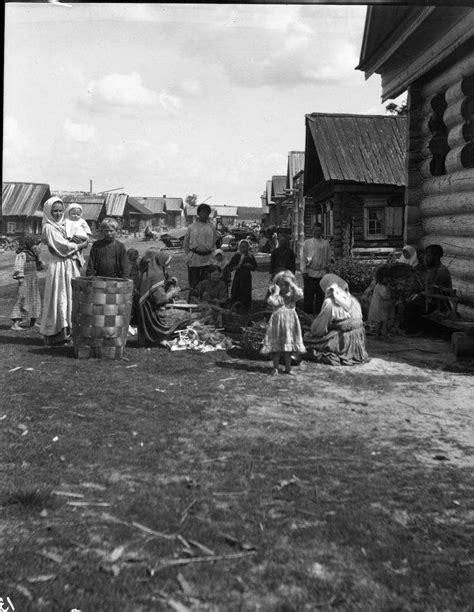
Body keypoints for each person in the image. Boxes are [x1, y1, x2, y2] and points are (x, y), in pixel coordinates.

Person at [40, 197, 89, 346]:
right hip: (59, 266)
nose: (57, 213)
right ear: (48, 211)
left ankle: (70, 331)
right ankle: (56, 333)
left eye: (60, 210)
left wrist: (81, 241)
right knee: (59, 296)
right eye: (54, 211)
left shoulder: (65, 224)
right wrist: (81, 245)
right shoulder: (49, 227)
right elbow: (63, 247)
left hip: (70, 265)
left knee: (71, 296)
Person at [304, 273, 369, 366]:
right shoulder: (353, 299)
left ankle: (338, 349)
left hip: (344, 338)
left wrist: (311, 323)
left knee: (306, 342)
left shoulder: (329, 302)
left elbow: (319, 329)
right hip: (358, 337)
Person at [136, 249, 191, 346]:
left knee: (182, 305)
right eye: (167, 264)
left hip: (144, 313)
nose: (169, 266)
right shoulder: (156, 276)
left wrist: (169, 283)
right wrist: (172, 292)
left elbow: (153, 292)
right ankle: (162, 336)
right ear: (161, 262)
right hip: (153, 315)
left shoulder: (148, 273)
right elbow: (159, 299)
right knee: (185, 315)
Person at [261, 270, 305, 375]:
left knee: (288, 348)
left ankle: (288, 368)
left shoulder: (292, 295)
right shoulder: (277, 295)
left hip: (290, 325)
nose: (283, 287)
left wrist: (292, 284)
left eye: (285, 285)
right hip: (277, 324)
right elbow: (272, 302)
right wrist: (275, 292)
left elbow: (300, 294)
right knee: (276, 348)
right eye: (280, 284)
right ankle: (275, 368)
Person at [403, 244, 453, 333]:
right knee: (408, 301)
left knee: (411, 306)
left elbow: (435, 291)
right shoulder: (432, 269)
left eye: (428, 255)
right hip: (429, 299)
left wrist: (421, 292)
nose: (426, 258)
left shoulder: (441, 271)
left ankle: (415, 330)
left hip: (438, 303)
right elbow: (426, 286)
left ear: (436, 256)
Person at [183, 203, 218, 292]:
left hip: (207, 259)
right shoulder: (192, 227)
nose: (204, 215)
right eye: (202, 212)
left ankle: (203, 303)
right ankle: (193, 301)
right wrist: (188, 255)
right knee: (194, 284)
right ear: (198, 213)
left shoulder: (212, 227)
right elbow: (186, 243)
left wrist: (213, 256)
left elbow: (214, 242)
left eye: (207, 213)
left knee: (205, 283)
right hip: (194, 258)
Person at [10, 235, 43, 330]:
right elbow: (18, 267)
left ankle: (33, 321)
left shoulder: (34, 255)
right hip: (25, 279)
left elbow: (39, 267)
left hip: (33, 280)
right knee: (22, 298)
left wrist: (39, 261)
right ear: (30, 245)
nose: (38, 248)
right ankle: (16, 323)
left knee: (35, 299)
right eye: (36, 246)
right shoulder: (23, 254)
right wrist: (20, 277)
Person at [301, 223, 333, 315]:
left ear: (321, 232)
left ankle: (319, 316)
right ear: (312, 231)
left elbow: (328, 259)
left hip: (322, 274)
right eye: (315, 230)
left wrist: (328, 272)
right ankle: (308, 316)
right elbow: (303, 258)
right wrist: (304, 271)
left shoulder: (325, 244)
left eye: (319, 231)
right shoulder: (307, 243)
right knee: (308, 297)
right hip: (310, 273)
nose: (317, 232)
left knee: (321, 297)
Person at [228, 239, 257, 311]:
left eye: (245, 246)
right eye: (242, 246)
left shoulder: (250, 256)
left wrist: (250, 266)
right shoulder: (237, 256)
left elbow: (255, 267)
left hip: (247, 276)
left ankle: (246, 307)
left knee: (246, 291)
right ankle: (236, 306)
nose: (244, 248)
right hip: (238, 276)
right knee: (236, 290)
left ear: (248, 247)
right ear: (239, 247)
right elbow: (230, 267)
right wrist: (237, 266)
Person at [63, 203, 92, 270]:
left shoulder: (81, 220)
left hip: (81, 236)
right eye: (73, 214)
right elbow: (66, 229)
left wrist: (88, 235)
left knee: (79, 247)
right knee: (73, 247)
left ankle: (79, 257)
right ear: (68, 213)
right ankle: (77, 257)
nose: (76, 216)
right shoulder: (67, 221)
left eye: (78, 214)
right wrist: (68, 236)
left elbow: (86, 227)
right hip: (71, 237)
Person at [367, 267, 393, 339]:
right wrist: (391, 294)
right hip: (380, 306)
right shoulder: (380, 286)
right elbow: (384, 296)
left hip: (382, 306)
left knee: (381, 322)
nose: (387, 279)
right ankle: (385, 335)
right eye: (386, 278)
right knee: (384, 321)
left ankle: (377, 335)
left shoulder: (382, 285)